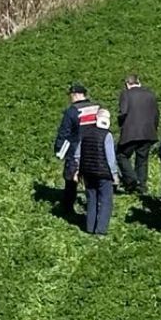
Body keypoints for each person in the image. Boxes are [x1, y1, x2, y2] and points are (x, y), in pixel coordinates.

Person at [53, 84, 97, 216]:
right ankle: (93, 207)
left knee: (71, 179)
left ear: (75, 95)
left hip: (76, 150)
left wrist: (58, 149)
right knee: (92, 181)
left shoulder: (72, 111)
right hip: (94, 149)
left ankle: (67, 208)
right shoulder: (96, 108)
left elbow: (64, 133)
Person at [78, 104, 119, 237]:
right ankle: (101, 230)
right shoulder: (107, 135)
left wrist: (78, 170)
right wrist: (114, 174)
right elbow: (110, 158)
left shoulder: (85, 134)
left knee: (92, 198)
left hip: (87, 172)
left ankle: (89, 227)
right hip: (103, 174)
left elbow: (78, 153)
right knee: (106, 200)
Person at [116, 74, 159, 195]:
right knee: (142, 159)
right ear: (138, 82)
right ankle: (142, 185)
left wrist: (121, 124)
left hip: (131, 132)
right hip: (148, 132)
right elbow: (156, 114)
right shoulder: (150, 94)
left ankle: (131, 180)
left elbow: (123, 112)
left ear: (127, 84)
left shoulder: (126, 94)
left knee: (121, 155)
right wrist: (153, 128)